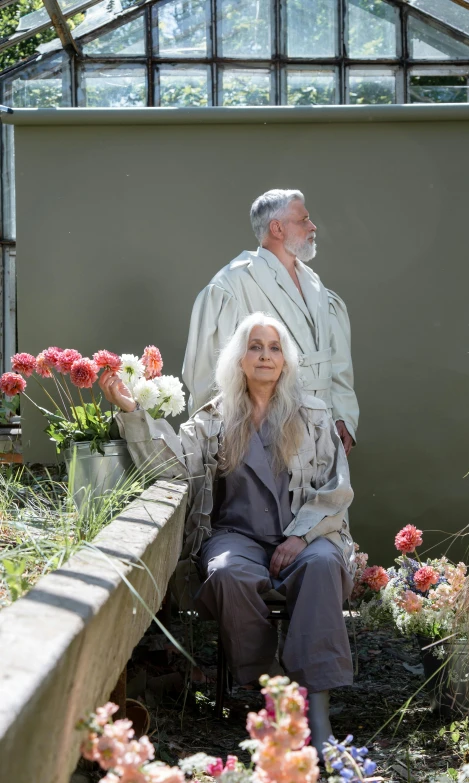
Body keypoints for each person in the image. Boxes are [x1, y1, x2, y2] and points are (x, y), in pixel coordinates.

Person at [99, 312, 355, 758]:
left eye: (274, 347)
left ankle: (317, 709)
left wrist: (300, 537)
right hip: (237, 535)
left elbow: (335, 488)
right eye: (255, 346)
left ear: (286, 360)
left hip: (304, 535)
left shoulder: (313, 415)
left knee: (323, 565)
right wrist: (132, 412)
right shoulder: (214, 418)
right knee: (225, 573)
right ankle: (269, 685)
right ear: (240, 358)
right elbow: (174, 464)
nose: (265, 355)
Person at [183, 188, 359, 457]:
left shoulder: (315, 284)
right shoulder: (231, 283)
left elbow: (338, 361)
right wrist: (218, 439)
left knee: (319, 498)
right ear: (277, 228)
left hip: (323, 432)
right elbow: (206, 373)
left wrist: (344, 417)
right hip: (261, 434)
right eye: (303, 220)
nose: (313, 227)